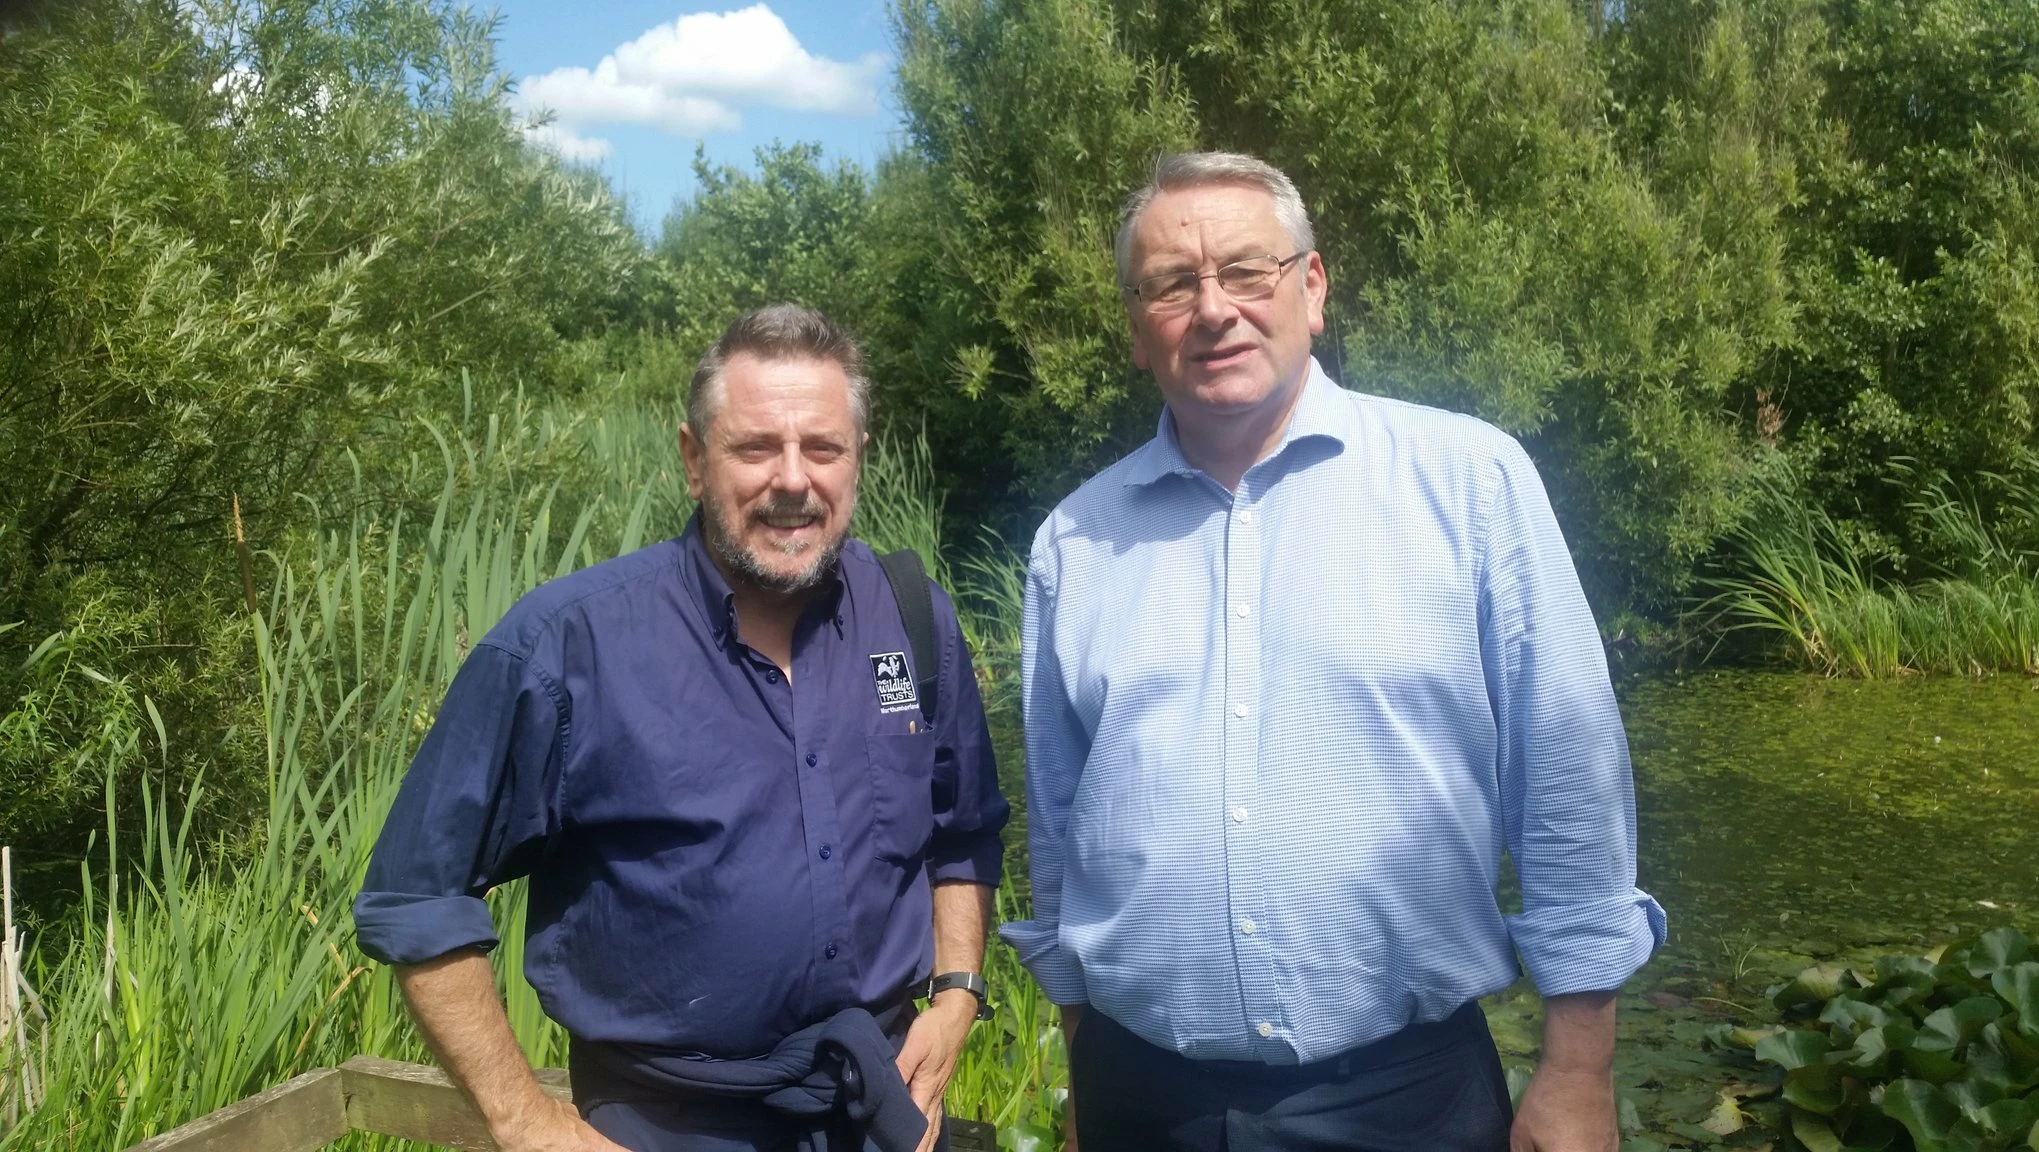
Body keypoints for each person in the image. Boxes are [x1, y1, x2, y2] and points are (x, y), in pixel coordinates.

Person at [999, 152, 1666, 1151]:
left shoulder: (1469, 484)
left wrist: (1575, 1068)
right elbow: (1059, 831)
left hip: (1403, 1104)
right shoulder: (1075, 541)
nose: (1212, 308)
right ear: (1136, 330)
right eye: (1171, 284)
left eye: (1245, 270)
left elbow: (1565, 780)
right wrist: (1081, 1050)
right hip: (1139, 1095)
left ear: (1310, 289)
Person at [353, 303, 1010, 1152]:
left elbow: (964, 831)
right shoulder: (570, 645)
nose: (792, 479)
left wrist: (957, 990)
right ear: (694, 460)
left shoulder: (914, 620)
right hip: (662, 1124)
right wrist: (527, 1123)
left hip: (879, 1110)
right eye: (753, 448)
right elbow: (416, 896)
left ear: (857, 460)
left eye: (822, 448)